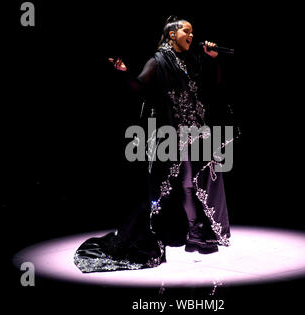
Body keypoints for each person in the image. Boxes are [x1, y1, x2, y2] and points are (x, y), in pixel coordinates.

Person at [74, 16, 232, 273]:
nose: (191, 35)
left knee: (194, 182)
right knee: (177, 185)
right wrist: (123, 73)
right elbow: (139, 88)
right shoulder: (158, 61)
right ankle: (179, 233)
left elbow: (214, 86)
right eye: (186, 30)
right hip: (170, 134)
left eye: (193, 31)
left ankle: (195, 234)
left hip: (194, 130)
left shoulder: (191, 61)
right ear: (172, 34)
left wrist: (213, 59)